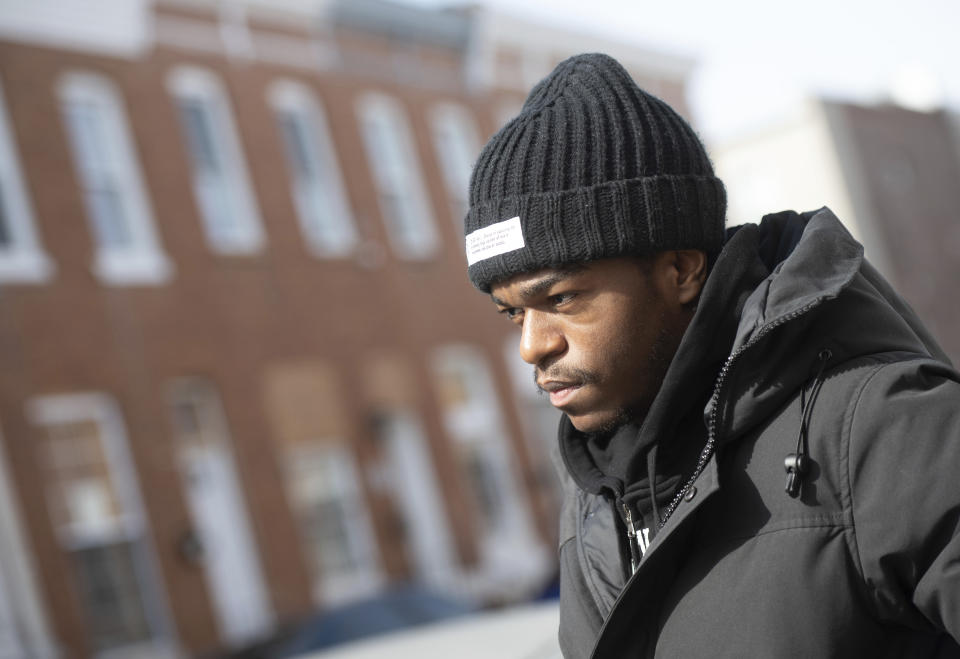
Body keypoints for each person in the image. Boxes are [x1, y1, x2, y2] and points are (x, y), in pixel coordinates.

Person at [462, 53, 960, 657]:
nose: (532, 345)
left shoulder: (886, 427)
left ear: (680, 270)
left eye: (562, 297)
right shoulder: (595, 495)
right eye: (513, 312)